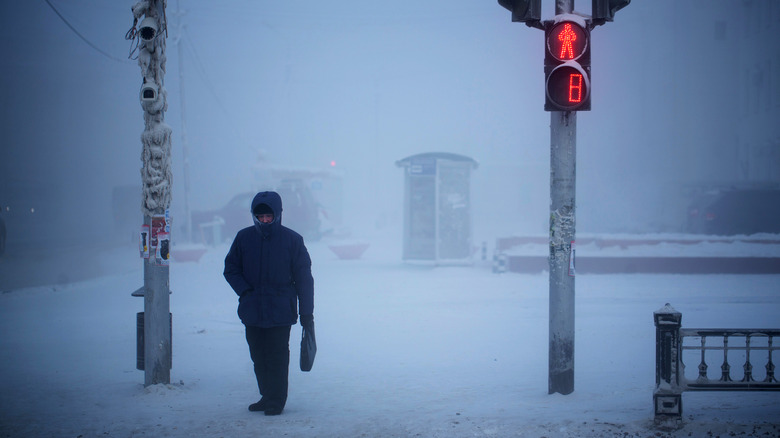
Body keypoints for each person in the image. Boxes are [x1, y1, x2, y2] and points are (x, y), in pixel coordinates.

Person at [223, 190, 314, 416]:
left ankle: (276, 400)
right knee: (258, 356)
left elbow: (304, 280)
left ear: (278, 215)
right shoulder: (244, 238)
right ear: (254, 216)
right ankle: (266, 395)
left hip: (281, 311)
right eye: (260, 216)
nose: (264, 220)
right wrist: (244, 291)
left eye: (268, 216)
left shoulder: (293, 241)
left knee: (277, 356)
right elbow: (231, 269)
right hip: (252, 310)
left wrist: (307, 314)